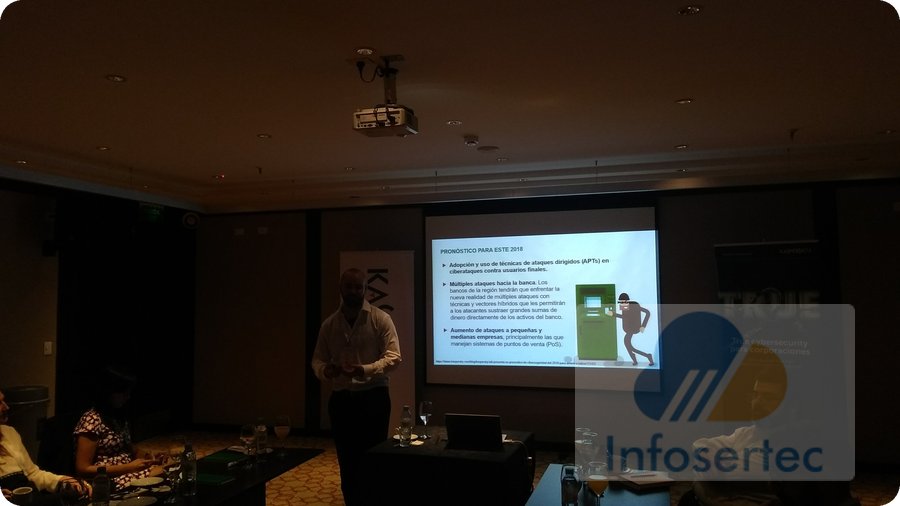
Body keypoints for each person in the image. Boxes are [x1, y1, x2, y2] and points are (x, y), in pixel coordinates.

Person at [311, 267, 402, 506]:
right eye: (349, 286)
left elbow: (394, 357)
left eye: (358, 287)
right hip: (341, 399)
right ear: (341, 289)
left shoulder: (380, 319)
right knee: (347, 460)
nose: (353, 291)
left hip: (373, 398)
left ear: (365, 290)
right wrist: (326, 370)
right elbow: (317, 360)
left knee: (372, 459)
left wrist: (364, 370)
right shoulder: (329, 325)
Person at [73, 366, 165, 491]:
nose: (127, 397)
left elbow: (128, 448)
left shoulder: (117, 417)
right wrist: (129, 467)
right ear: (108, 392)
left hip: (128, 470)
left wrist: (149, 457)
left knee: (171, 465)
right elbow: (82, 469)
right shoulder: (91, 420)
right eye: (123, 393)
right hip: (108, 479)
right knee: (161, 473)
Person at [1, 389, 92, 505]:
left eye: (4, 401)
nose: (6, 407)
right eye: (0, 403)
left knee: (77, 495)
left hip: (32, 498)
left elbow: (33, 474)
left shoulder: (8, 433)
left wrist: (63, 480)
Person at [610, 292, 654, 366]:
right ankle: (640, 358)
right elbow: (625, 317)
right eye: (621, 302)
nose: (622, 303)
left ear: (626, 300)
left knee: (627, 344)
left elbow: (647, 312)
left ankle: (645, 356)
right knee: (628, 345)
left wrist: (643, 326)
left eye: (623, 301)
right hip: (629, 328)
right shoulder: (625, 306)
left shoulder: (634, 305)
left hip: (633, 328)